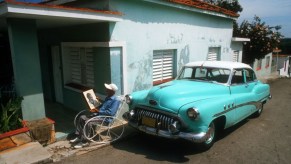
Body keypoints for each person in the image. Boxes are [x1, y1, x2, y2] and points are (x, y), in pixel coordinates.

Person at [70, 83, 120, 149]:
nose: (106, 90)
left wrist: (98, 111)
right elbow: (102, 106)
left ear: (112, 91)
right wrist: (97, 102)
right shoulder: (108, 98)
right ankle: (80, 136)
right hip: (99, 116)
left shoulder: (115, 100)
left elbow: (111, 113)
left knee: (88, 122)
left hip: (106, 119)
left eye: (107, 89)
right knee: (82, 117)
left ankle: (85, 141)